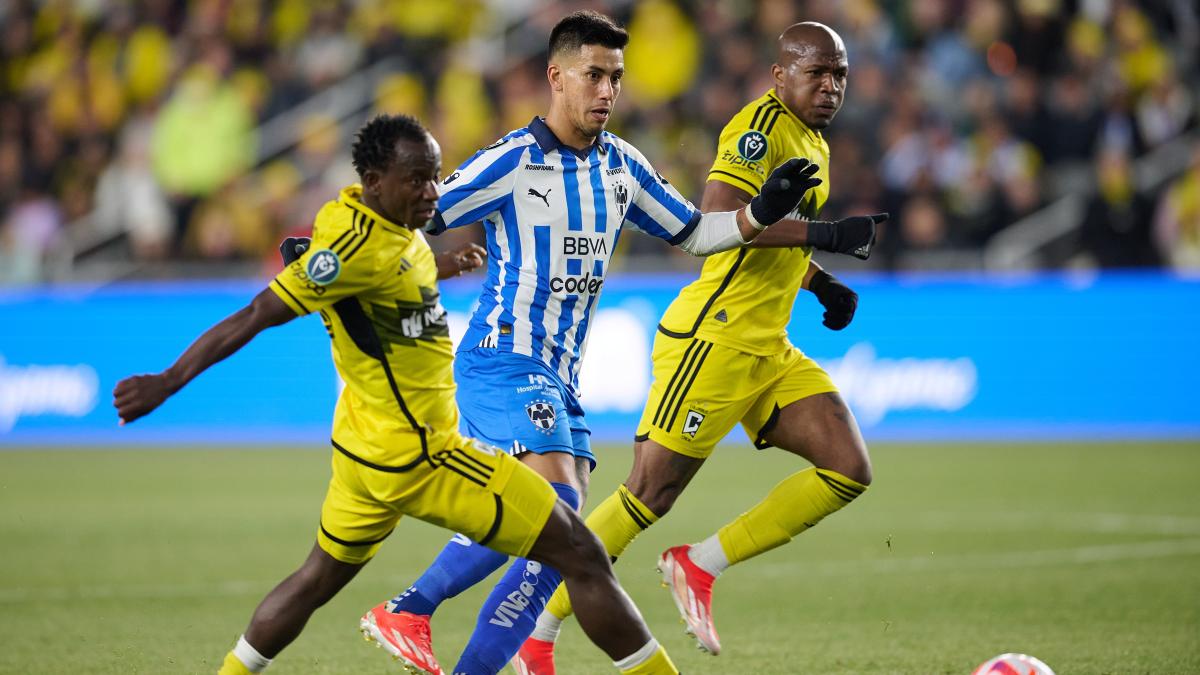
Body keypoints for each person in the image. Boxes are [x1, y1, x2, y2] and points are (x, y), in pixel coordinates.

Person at [112, 114, 686, 675]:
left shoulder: (393, 229)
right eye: (417, 180)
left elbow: (394, 271)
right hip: (419, 455)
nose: (433, 192)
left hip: (362, 454)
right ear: (376, 182)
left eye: (435, 176)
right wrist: (167, 381)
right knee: (581, 550)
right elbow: (257, 314)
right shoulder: (352, 249)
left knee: (315, 579)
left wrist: (446, 263)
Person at [361, 11, 831, 675]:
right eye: (593, 75)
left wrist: (761, 211)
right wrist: (331, 246)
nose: (607, 90)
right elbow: (415, 212)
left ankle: (459, 655)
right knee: (558, 510)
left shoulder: (623, 167)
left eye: (615, 77)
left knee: (559, 542)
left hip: (558, 378)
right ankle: (410, 606)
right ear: (556, 77)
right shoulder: (511, 161)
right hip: (501, 359)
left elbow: (695, 233)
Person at [512, 22, 885, 673]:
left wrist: (819, 282)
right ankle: (534, 626)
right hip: (712, 341)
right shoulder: (759, 130)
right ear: (780, 74)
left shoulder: (813, 140)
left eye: (839, 76)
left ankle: (699, 563)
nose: (830, 87)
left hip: (767, 345)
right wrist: (827, 233)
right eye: (816, 72)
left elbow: (776, 235)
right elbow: (721, 214)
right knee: (647, 494)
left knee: (847, 467)